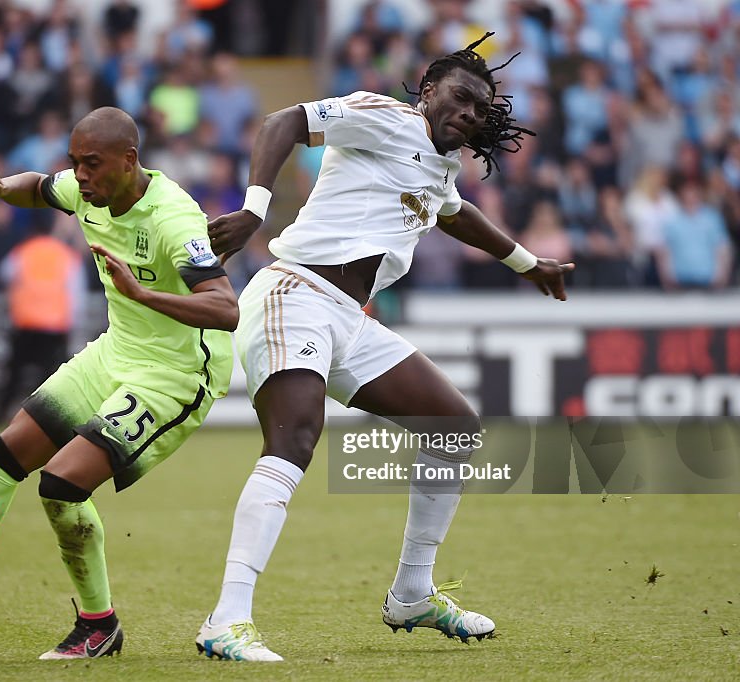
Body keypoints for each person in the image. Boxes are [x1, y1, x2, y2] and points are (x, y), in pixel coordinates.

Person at [195, 34, 574, 661]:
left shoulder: (439, 165)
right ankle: (226, 619)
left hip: (349, 316)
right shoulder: (386, 116)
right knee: (294, 440)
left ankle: (412, 592)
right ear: (427, 92)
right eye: (459, 97)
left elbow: (453, 213)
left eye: (480, 110)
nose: (469, 114)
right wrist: (256, 210)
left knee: (453, 426)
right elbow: (284, 120)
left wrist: (527, 263)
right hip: (296, 291)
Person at [0, 107, 238, 660]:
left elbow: (225, 308)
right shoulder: (87, 191)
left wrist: (144, 294)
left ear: (129, 162)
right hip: (116, 352)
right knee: (5, 454)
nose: (79, 175)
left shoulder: (173, 219)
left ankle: (98, 626)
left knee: (60, 484)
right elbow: (39, 188)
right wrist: (4, 188)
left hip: (176, 373)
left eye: (91, 165)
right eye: (74, 163)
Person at [0, 222, 85, 423]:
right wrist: (72, 323)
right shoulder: (65, 254)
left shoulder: (25, 251)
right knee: (51, 378)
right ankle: (48, 419)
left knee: (14, 375)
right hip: (55, 326)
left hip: (25, 323)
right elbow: (76, 293)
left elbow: (4, 273)